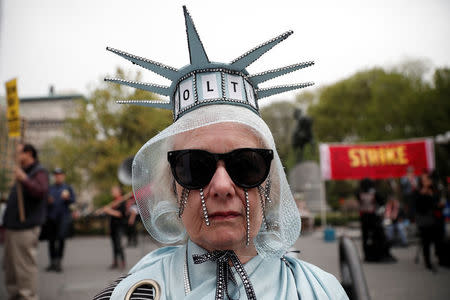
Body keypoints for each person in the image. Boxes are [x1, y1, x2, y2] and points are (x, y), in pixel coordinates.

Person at [94, 6, 347, 299]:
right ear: (173, 188)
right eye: (194, 166)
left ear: (271, 185)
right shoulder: (130, 294)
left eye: (247, 165)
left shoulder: (320, 292)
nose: (223, 187)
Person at [3, 143, 49, 300]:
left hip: (25, 228)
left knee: (24, 266)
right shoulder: (23, 172)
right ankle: (15, 294)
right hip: (13, 227)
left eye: (18, 153)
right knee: (11, 267)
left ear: (28, 153)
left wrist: (24, 179)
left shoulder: (39, 172)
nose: (15, 156)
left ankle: (27, 296)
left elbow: (40, 191)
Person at [356, 178, 396, 262]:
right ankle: (377, 254)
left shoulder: (360, 193)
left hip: (364, 218)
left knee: (366, 237)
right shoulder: (373, 193)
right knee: (376, 236)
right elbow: (382, 202)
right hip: (373, 218)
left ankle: (368, 255)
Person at [45, 168, 76, 272]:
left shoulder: (67, 188)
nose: (58, 176)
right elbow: (44, 201)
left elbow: (73, 200)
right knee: (51, 241)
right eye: (56, 175)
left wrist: (67, 198)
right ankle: (52, 262)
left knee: (61, 240)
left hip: (63, 218)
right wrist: (48, 201)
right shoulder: (50, 188)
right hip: (51, 218)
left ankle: (59, 262)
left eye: (60, 174)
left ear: (63, 176)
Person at [414, 172, 444, 271]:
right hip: (424, 220)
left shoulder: (435, 190)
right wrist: (424, 195)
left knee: (438, 240)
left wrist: (433, 197)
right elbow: (418, 206)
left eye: (428, 179)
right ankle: (428, 262)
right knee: (426, 242)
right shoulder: (419, 192)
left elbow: (438, 203)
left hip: (436, 219)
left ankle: (441, 258)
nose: (428, 181)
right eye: (425, 180)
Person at [102, 185, 127, 270]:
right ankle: (115, 262)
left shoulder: (122, 201)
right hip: (113, 226)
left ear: (119, 192)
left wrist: (109, 210)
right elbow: (111, 216)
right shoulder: (114, 202)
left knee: (119, 244)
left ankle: (123, 262)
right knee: (114, 245)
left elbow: (120, 214)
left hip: (119, 226)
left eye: (114, 190)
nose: (112, 192)